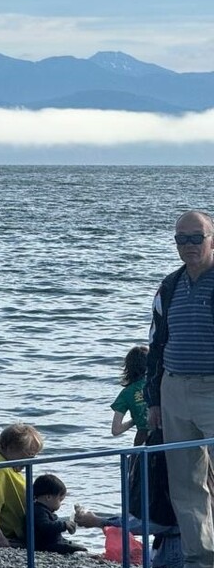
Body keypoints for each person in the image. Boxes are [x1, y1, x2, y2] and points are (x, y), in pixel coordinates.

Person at [146, 209, 214, 568]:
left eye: (196, 238)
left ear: (211, 239)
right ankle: (199, 559)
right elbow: (155, 343)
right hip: (174, 388)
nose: (189, 246)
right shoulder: (169, 285)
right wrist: (153, 399)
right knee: (185, 483)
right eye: (181, 239)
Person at [31, 474, 85, 553]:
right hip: (45, 545)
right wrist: (64, 525)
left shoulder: (39, 509)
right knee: (80, 550)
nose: (60, 504)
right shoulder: (39, 511)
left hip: (48, 542)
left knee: (74, 545)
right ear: (48, 497)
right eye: (60, 500)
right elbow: (46, 527)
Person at [112, 344, 149, 446]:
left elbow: (116, 430)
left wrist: (135, 420)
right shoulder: (158, 385)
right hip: (165, 436)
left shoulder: (126, 393)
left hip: (142, 439)